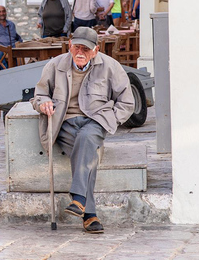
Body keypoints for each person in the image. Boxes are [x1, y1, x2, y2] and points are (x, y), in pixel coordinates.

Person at [31, 27, 134, 234]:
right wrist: (42, 104)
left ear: (95, 50)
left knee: (87, 137)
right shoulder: (55, 65)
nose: (80, 52)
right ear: (70, 46)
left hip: (96, 120)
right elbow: (39, 94)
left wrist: (111, 119)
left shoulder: (110, 67)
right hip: (64, 122)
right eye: (76, 47)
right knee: (87, 155)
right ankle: (89, 214)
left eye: (85, 49)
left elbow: (127, 102)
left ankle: (79, 199)